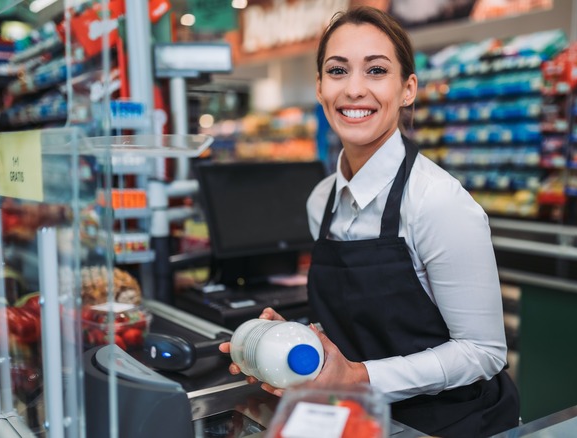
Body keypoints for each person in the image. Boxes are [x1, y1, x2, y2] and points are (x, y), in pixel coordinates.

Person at [220, 6, 520, 437]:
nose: (354, 89)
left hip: (454, 424)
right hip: (358, 421)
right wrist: (299, 343)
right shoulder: (321, 200)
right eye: (338, 71)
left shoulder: (438, 203)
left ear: (407, 89)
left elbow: (483, 352)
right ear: (320, 87)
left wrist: (359, 377)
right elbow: (362, 323)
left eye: (376, 70)